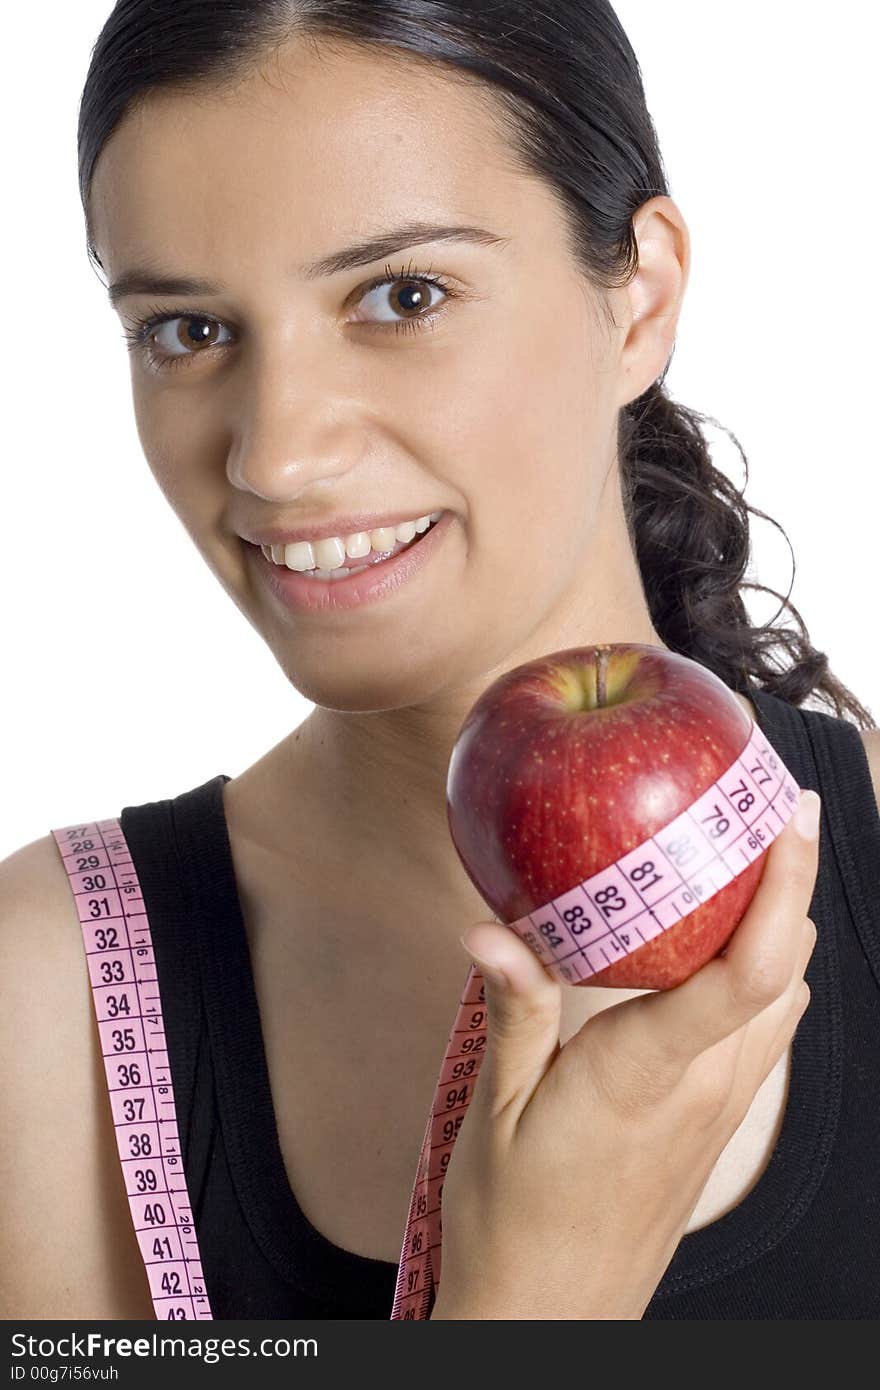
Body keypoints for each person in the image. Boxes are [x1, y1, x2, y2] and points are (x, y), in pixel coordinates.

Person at [2, 0, 879, 1321]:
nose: (274, 456)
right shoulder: (44, 1008)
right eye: (187, 328)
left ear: (638, 297)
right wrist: (534, 1299)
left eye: (402, 296)